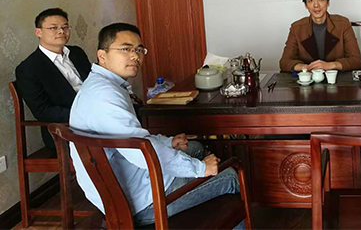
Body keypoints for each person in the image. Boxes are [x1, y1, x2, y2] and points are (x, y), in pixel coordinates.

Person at [69, 23, 242, 228]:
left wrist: (169, 143)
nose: (135, 56)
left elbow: (133, 139)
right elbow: (141, 151)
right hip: (142, 202)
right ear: (102, 55)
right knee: (231, 175)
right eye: (125, 49)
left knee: (194, 148)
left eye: (139, 50)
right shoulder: (106, 96)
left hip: (129, 185)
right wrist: (201, 169)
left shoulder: (99, 85)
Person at [15, 8, 92, 152]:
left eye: (65, 27)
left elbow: (93, 83)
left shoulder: (77, 53)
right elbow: (42, 111)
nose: (61, 31)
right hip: (65, 129)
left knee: (131, 115)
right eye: (53, 28)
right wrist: (85, 114)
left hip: (98, 114)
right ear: (38, 32)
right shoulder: (29, 68)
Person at [280, 0, 361, 72]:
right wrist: (306, 67)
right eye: (311, 0)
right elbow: (284, 62)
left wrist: (330, 65)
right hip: (309, 78)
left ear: (328, 2)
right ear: (306, 5)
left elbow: (356, 61)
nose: (316, 5)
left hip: (337, 78)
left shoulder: (343, 24)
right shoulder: (296, 28)